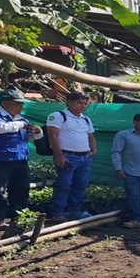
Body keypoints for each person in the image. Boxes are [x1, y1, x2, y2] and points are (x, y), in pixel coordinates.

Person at [0, 89, 43, 230]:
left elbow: (27, 136)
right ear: (5, 103)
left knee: (21, 189)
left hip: (19, 158)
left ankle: (19, 219)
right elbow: (1, 128)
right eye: (18, 103)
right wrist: (22, 125)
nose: (21, 107)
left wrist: (36, 132)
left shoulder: (21, 118)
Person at [47, 92, 97, 222]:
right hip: (67, 156)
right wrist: (59, 156)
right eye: (79, 103)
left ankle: (73, 210)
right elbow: (53, 136)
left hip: (84, 157)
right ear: (68, 102)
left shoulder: (85, 119)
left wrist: (93, 149)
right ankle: (58, 212)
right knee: (64, 184)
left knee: (81, 184)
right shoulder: (58, 116)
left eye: (85, 103)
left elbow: (90, 136)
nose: (83, 106)